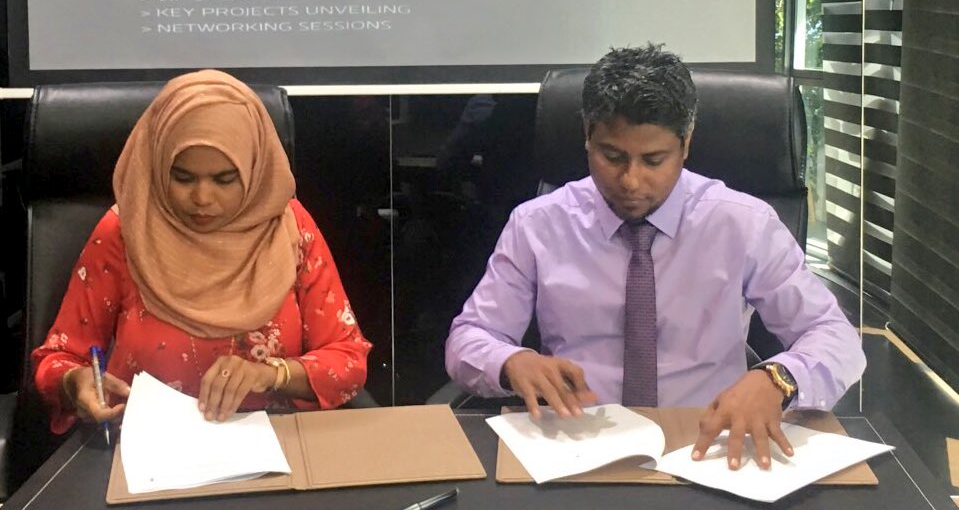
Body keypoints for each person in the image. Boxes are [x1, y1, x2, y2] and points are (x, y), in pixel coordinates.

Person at [445, 44, 866, 470]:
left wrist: (778, 380)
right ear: (587, 137)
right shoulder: (537, 225)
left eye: (653, 160)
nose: (631, 180)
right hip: (576, 445)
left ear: (686, 143)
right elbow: (469, 338)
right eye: (612, 157)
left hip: (710, 445)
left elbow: (835, 336)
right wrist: (511, 361)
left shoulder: (743, 224)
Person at [33, 69, 371, 434]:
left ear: (254, 169)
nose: (202, 198)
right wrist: (75, 383)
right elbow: (58, 360)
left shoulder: (288, 228)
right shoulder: (126, 231)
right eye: (183, 177)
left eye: (225, 179)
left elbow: (348, 361)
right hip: (150, 445)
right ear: (158, 165)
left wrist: (271, 374)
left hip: (276, 443)